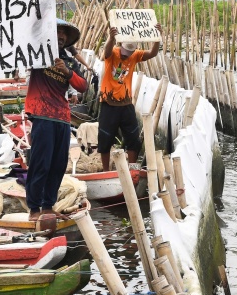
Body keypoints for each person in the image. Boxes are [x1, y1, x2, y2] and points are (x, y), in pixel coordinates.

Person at [24, 19, 87, 221]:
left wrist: (67, 72)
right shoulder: (37, 53)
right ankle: (34, 209)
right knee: (40, 163)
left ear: (67, 40)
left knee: (58, 164)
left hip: (62, 117)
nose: (60, 36)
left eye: (64, 34)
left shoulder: (70, 62)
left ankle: (48, 206)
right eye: (56, 32)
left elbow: (83, 86)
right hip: (42, 114)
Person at [99, 24, 162, 171]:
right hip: (109, 104)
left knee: (133, 139)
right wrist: (111, 38)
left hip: (126, 105)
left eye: (130, 51)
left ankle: (132, 169)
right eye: (125, 51)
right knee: (105, 139)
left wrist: (157, 38)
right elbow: (106, 52)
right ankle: (105, 170)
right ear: (120, 45)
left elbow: (152, 53)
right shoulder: (113, 52)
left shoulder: (134, 55)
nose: (127, 54)